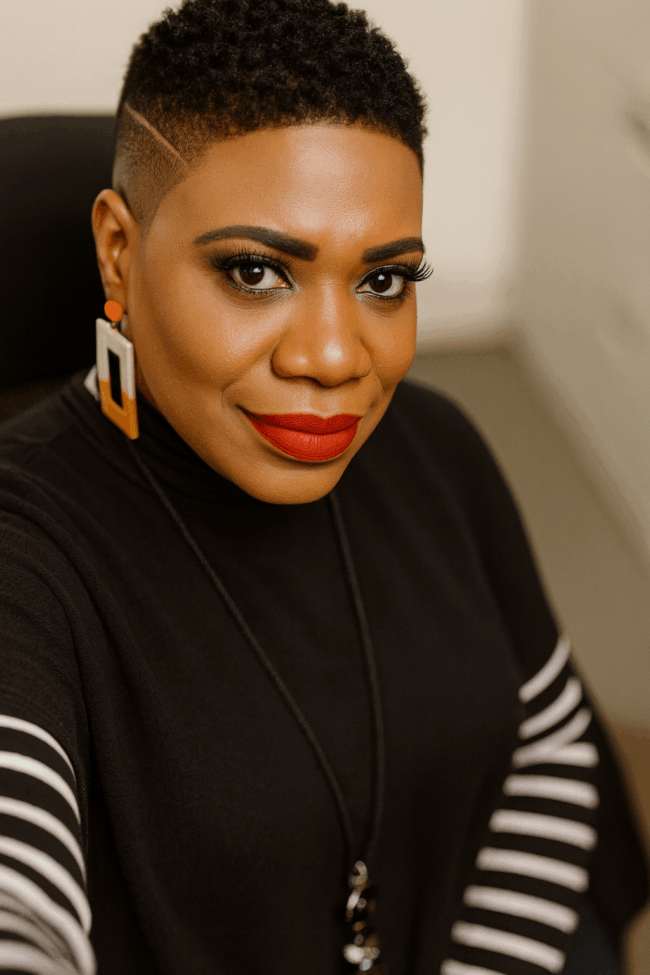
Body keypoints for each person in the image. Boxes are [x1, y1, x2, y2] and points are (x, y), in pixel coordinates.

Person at [0, 0, 646, 972]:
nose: (337, 358)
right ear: (119, 252)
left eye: (383, 281)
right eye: (256, 271)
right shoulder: (23, 552)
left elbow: (550, 746)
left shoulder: (436, 446)